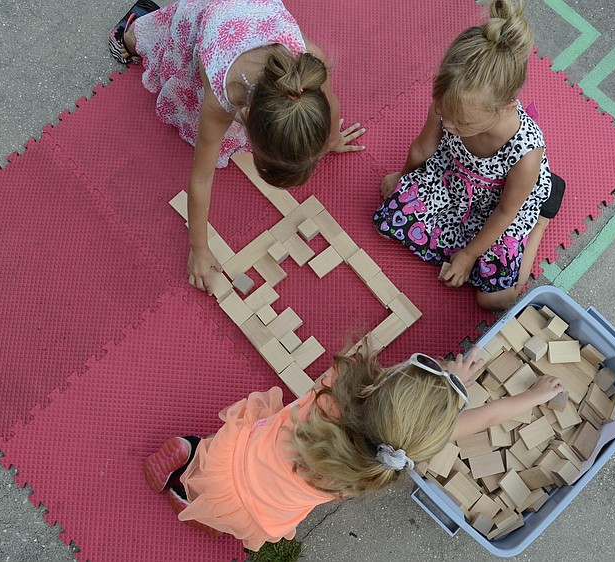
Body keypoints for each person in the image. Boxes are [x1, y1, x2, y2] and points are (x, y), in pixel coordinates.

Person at [142, 344, 564, 550]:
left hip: (233, 458)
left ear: (377, 387)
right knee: (231, 513)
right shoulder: (372, 469)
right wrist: (534, 396)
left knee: (231, 449)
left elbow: (384, 390)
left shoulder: (331, 394)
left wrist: (445, 381)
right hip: (258, 511)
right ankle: (191, 500)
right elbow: (483, 419)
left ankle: (193, 453)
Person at [108, 0, 366, 295]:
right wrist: (199, 249)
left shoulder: (308, 71)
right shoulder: (221, 99)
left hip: (249, 14)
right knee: (154, 40)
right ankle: (129, 31)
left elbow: (330, 101)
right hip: (208, 19)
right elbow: (201, 178)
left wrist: (332, 139)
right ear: (245, 118)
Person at [373, 0, 565, 311]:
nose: (448, 125)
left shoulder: (527, 153)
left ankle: (542, 219)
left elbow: (505, 212)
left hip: (501, 206)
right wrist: (402, 177)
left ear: (505, 109)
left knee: (495, 299)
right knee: (388, 218)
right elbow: (423, 148)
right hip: (453, 179)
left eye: (462, 123)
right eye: (445, 114)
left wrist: (469, 255)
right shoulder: (450, 105)